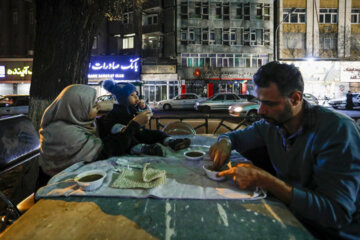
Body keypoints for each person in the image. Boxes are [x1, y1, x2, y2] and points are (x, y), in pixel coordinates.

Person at [209, 61, 360, 239]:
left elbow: (335, 214)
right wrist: (225, 142)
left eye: (269, 104)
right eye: (259, 102)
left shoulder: (336, 130)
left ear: (295, 99)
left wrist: (268, 181)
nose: (260, 111)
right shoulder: (271, 124)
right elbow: (235, 138)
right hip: (288, 217)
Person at [38, 84, 151, 179]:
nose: (98, 107)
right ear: (77, 109)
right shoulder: (63, 133)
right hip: (58, 189)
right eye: (92, 105)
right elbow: (105, 151)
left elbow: (105, 130)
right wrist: (134, 125)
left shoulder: (83, 123)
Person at [100, 80, 191, 155]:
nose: (136, 97)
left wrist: (144, 107)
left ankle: (171, 142)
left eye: (136, 95)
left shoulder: (134, 108)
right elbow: (118, 131)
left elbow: (149, 114)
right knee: (133, 143)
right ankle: (145, 149)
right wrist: (129, 126)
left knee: (157, 133)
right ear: (122, 98)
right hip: (128, 139)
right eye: (132, 95)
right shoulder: (116, 112)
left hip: (140, 133)